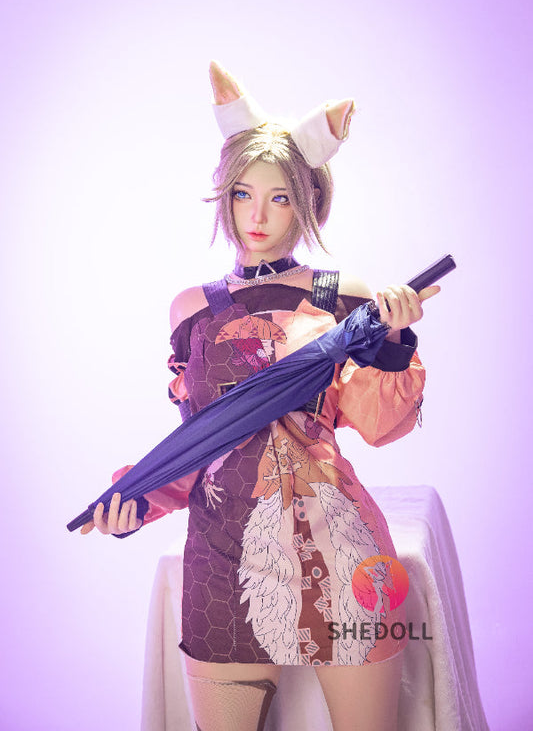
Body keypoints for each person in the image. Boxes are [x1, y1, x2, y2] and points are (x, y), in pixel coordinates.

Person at [81, 62, 439, 731]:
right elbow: (202, 441)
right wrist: (136, 501)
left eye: (279, 198)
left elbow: (379, 421)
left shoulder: (340, 293)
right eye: (243, 194)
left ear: (309, 202)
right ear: (224, 197)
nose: (257, 215)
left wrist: (392, 341)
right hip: (222, 559)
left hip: (341, 545)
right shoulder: (193, 308)